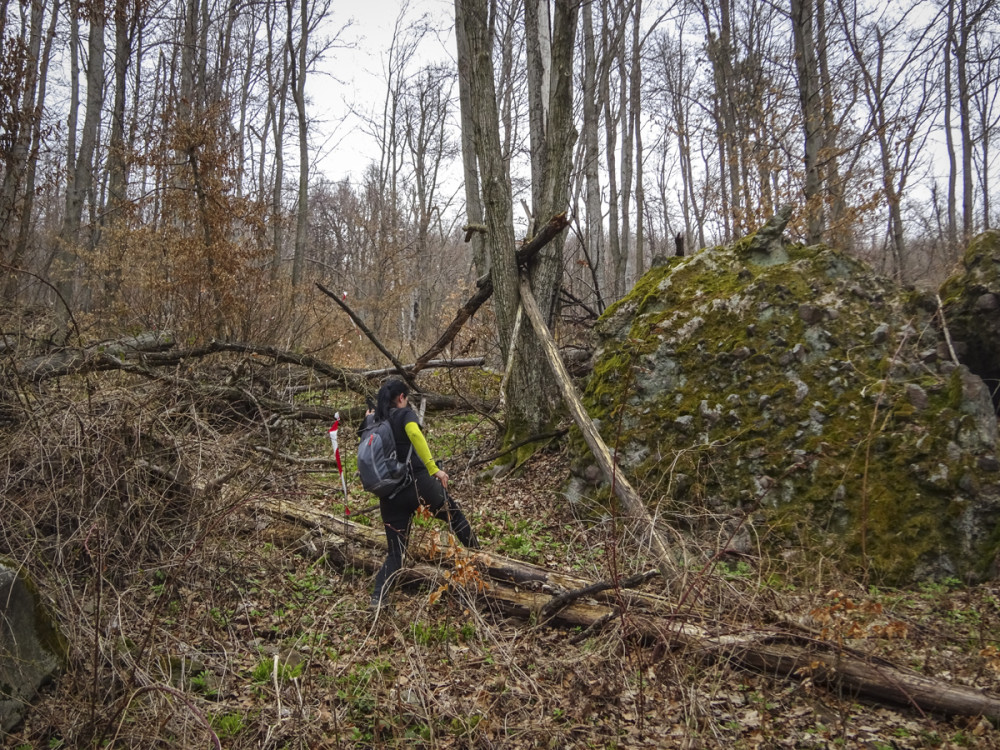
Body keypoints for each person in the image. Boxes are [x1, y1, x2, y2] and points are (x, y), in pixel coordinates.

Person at [366, 379, 479, 611]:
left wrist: (368, 419)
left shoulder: (374, 420)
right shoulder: (404, 415)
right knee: (455, 517)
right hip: (419, 485)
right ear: (401, 398)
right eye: (406, 398)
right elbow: (415, 435)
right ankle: (481, 560)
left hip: (389, 495)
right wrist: (433, 468)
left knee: (396, 554)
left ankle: (378, 599)